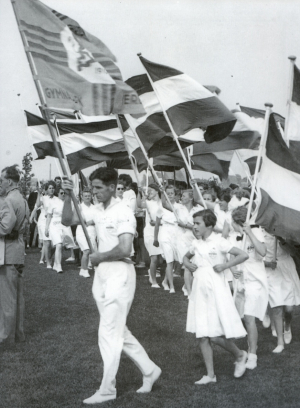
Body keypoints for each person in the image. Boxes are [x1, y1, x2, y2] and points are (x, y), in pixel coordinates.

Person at [62, 168, 161, 404]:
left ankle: (107, 389)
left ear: (110, 187)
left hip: (120, 272)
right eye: (92, 188)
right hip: (102, 274)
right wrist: (67, 196)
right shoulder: (96, 209)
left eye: (98, 188)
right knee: (118, 330)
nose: (94, 192)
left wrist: (99, 257)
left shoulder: (123, 211)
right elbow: (68, 220)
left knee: (107, 332)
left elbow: (126, 248)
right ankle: (149, 370)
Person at [183, 209, 248, 384]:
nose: (194, 226)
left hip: (216, 290)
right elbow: (185, 257)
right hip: (200, 289)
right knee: (202, 334)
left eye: (198, 223)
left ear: (209, 225)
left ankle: (240, 354)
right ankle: (210, 375)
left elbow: (243, 254)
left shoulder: (220, 242)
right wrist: (187, 264)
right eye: (194, 223)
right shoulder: (196, 243)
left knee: (214, 335)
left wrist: (226, 265)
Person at [230, 206, 268, 370]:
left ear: (237, 221)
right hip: (241, 281)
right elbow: (231, 256)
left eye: (232, 221)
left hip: (255, 280)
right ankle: (250, 346)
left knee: (249, 318)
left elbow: (263, 252)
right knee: (244, 318)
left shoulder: (257, 233)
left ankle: (253, 354)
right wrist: (232, 270)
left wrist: (250, 234)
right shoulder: (234, 237)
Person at [0, 165, 29, 344]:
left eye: (2, 180)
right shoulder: (21, 198)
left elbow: (7, 226)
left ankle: (6, 337)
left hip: (8, 251)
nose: (0, 183)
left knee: (7, 297)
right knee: (18, 297)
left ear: (9, 181)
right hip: (18, 249)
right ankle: (18, 334)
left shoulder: (7, 199)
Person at [263, 231, 300, 353]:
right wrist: (267, 263)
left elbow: (294, 252)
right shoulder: (259, 233)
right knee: (277, 305)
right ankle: (280, 341)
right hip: (271, 269)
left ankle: (287, 326)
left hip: (286, 268)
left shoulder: (285, 231)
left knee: (289, 309)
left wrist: (282, 240)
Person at [153, 185, 181, 293]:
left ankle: (165, 281)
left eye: (171, 193)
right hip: (165, 233)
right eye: (167, 193)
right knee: (169, 260)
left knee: (173, 260)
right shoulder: (161, 208)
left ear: (175, 195)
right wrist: (155, 239)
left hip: (176, 233)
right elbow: (156, 225)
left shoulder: (179, 207)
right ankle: (172, 286)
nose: (169, 195)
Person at [138, 184, 163, 288]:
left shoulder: (163, 203)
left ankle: (151, 271)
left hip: (162, 231)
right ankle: (153, 281)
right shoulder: (148, 203)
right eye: (148, 191)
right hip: (149, 232)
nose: (149, 192)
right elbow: (139, 205)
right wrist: (139, 192)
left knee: (161, 260)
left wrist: (159, 224)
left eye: (151, 190)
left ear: (157, 191)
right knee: (154, 258)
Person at [45, 188, 74, 273]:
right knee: (59, 244)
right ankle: (58, 266)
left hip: (64, 225)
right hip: (54, 225)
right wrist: (46, 228)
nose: (63, 194)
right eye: (61, 193)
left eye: (65, 193)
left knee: (62, 246)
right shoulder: (53, 203)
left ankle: (56, 264)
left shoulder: (69, 203)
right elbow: (49, 216)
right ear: (58, 193)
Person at [31, 181, 56, 267]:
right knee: (47, 242)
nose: (51, 190)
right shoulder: (43, 198)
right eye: (50, 188)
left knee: (54, 244)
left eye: (53, 188)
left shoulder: (56, 199)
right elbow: (37, 205)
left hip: (52, 222)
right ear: (46, 189)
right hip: (43, 221)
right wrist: (39, 193)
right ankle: (48, 262)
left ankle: (45, 258)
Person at [76, 188, 97, 278]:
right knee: (86, 250)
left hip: (92, 231)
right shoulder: (79, 207)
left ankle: (83, 269)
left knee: (92, 251)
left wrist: (92, 221)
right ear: (82, 197)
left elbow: (98, 219)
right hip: (81, 230)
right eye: (85, 196)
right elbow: (76, 219)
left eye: (89, 196)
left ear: (91, 197)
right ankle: (84, 270)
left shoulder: (95, 207)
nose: (87, 197)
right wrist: (83, 221)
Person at [27, 179, 39, 247]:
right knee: (32, 227)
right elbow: (29, 203)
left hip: (38, 211)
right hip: (33, 211)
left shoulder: (38, 194)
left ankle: (37, 243)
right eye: (32, 185)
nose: (33, 187)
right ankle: (30, 243)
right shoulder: (32, 194)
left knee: (37, 227)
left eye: (34, 185)